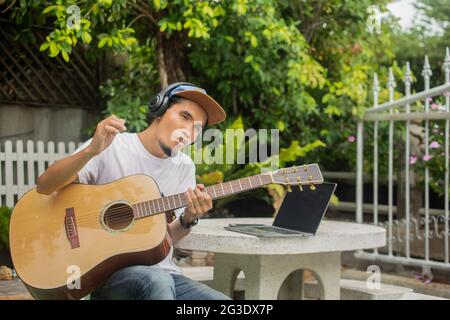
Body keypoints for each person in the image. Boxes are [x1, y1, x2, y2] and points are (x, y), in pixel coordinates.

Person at [36, 82, 231, 300]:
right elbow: (45, 185)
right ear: (160, 109)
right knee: (157, 282)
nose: (188, 131)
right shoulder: (113, 146)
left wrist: (189, 218)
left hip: (165, 276)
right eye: (184, 117)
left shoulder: (185, 167)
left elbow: (165, 239)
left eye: (197, 128)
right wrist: (91, 150)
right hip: (110, 278)